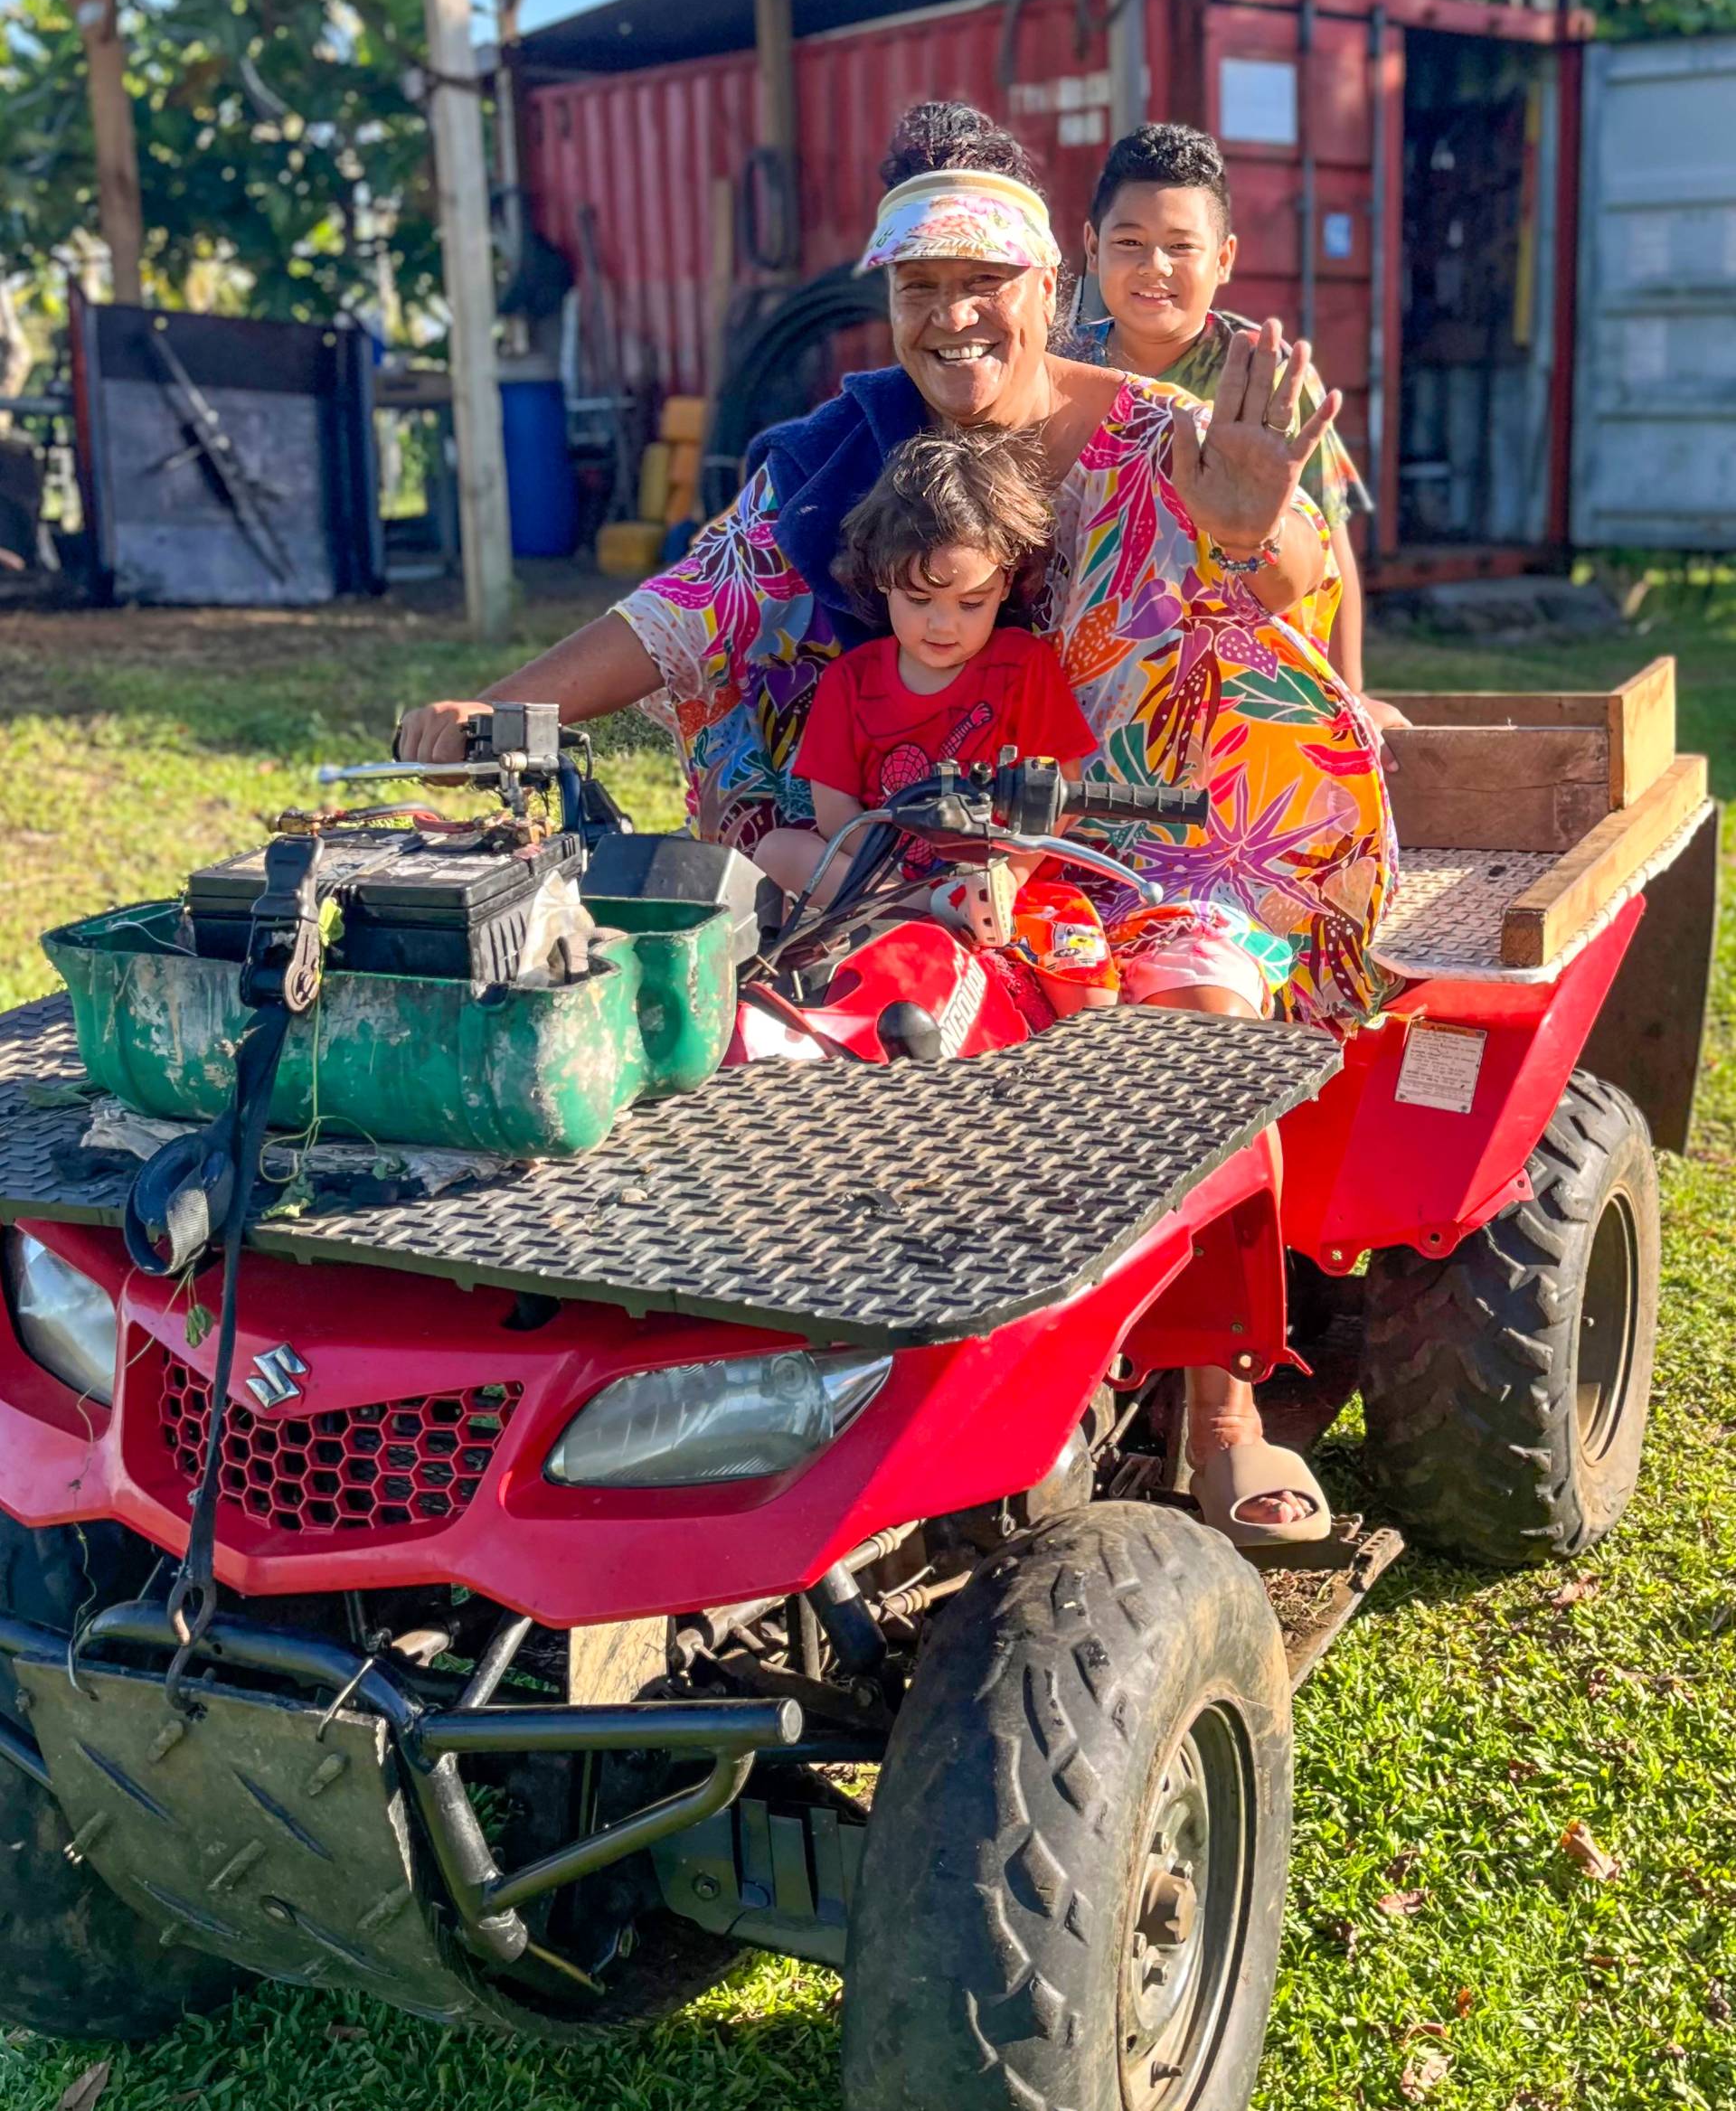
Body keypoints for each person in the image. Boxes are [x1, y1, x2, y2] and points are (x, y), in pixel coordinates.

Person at [399, 100, 1397, 1539]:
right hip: (881, 834)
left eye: (983, 283)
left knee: (1200, 1011)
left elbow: (1283, 555)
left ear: (1049, 289)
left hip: (1143, 844)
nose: (953, 319)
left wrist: (1256, 532)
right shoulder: (836, 448)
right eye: (917, 289)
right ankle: (768, 1366)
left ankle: (1219, 1403)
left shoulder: (1155, 430)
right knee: (731, 994)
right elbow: (696, 604)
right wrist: (499, 719)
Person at [756, 429, 1119, 1012]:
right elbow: (835, 817)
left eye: (970, 604)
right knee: (776, 848)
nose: (943, 626)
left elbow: (1064, 792)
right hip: (884, 885)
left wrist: (1007, 876)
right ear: (881, 579)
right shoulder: (852, 680)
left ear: (1004, 583)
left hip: (1007, 884)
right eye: (919, 601)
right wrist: (917, 890)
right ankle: (927, 914)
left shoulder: (1022, 666)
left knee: (1090, 998)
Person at [1078, 120, 1406, 745]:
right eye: (1130, 242)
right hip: (1095, 689)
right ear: (1092, 249)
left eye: (1181, 246)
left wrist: (1351, 692)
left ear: (1224, 258)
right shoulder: (1062, 371)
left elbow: (1332, 550)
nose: (1154, 267)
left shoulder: (1264, 381)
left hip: (1239, 688)